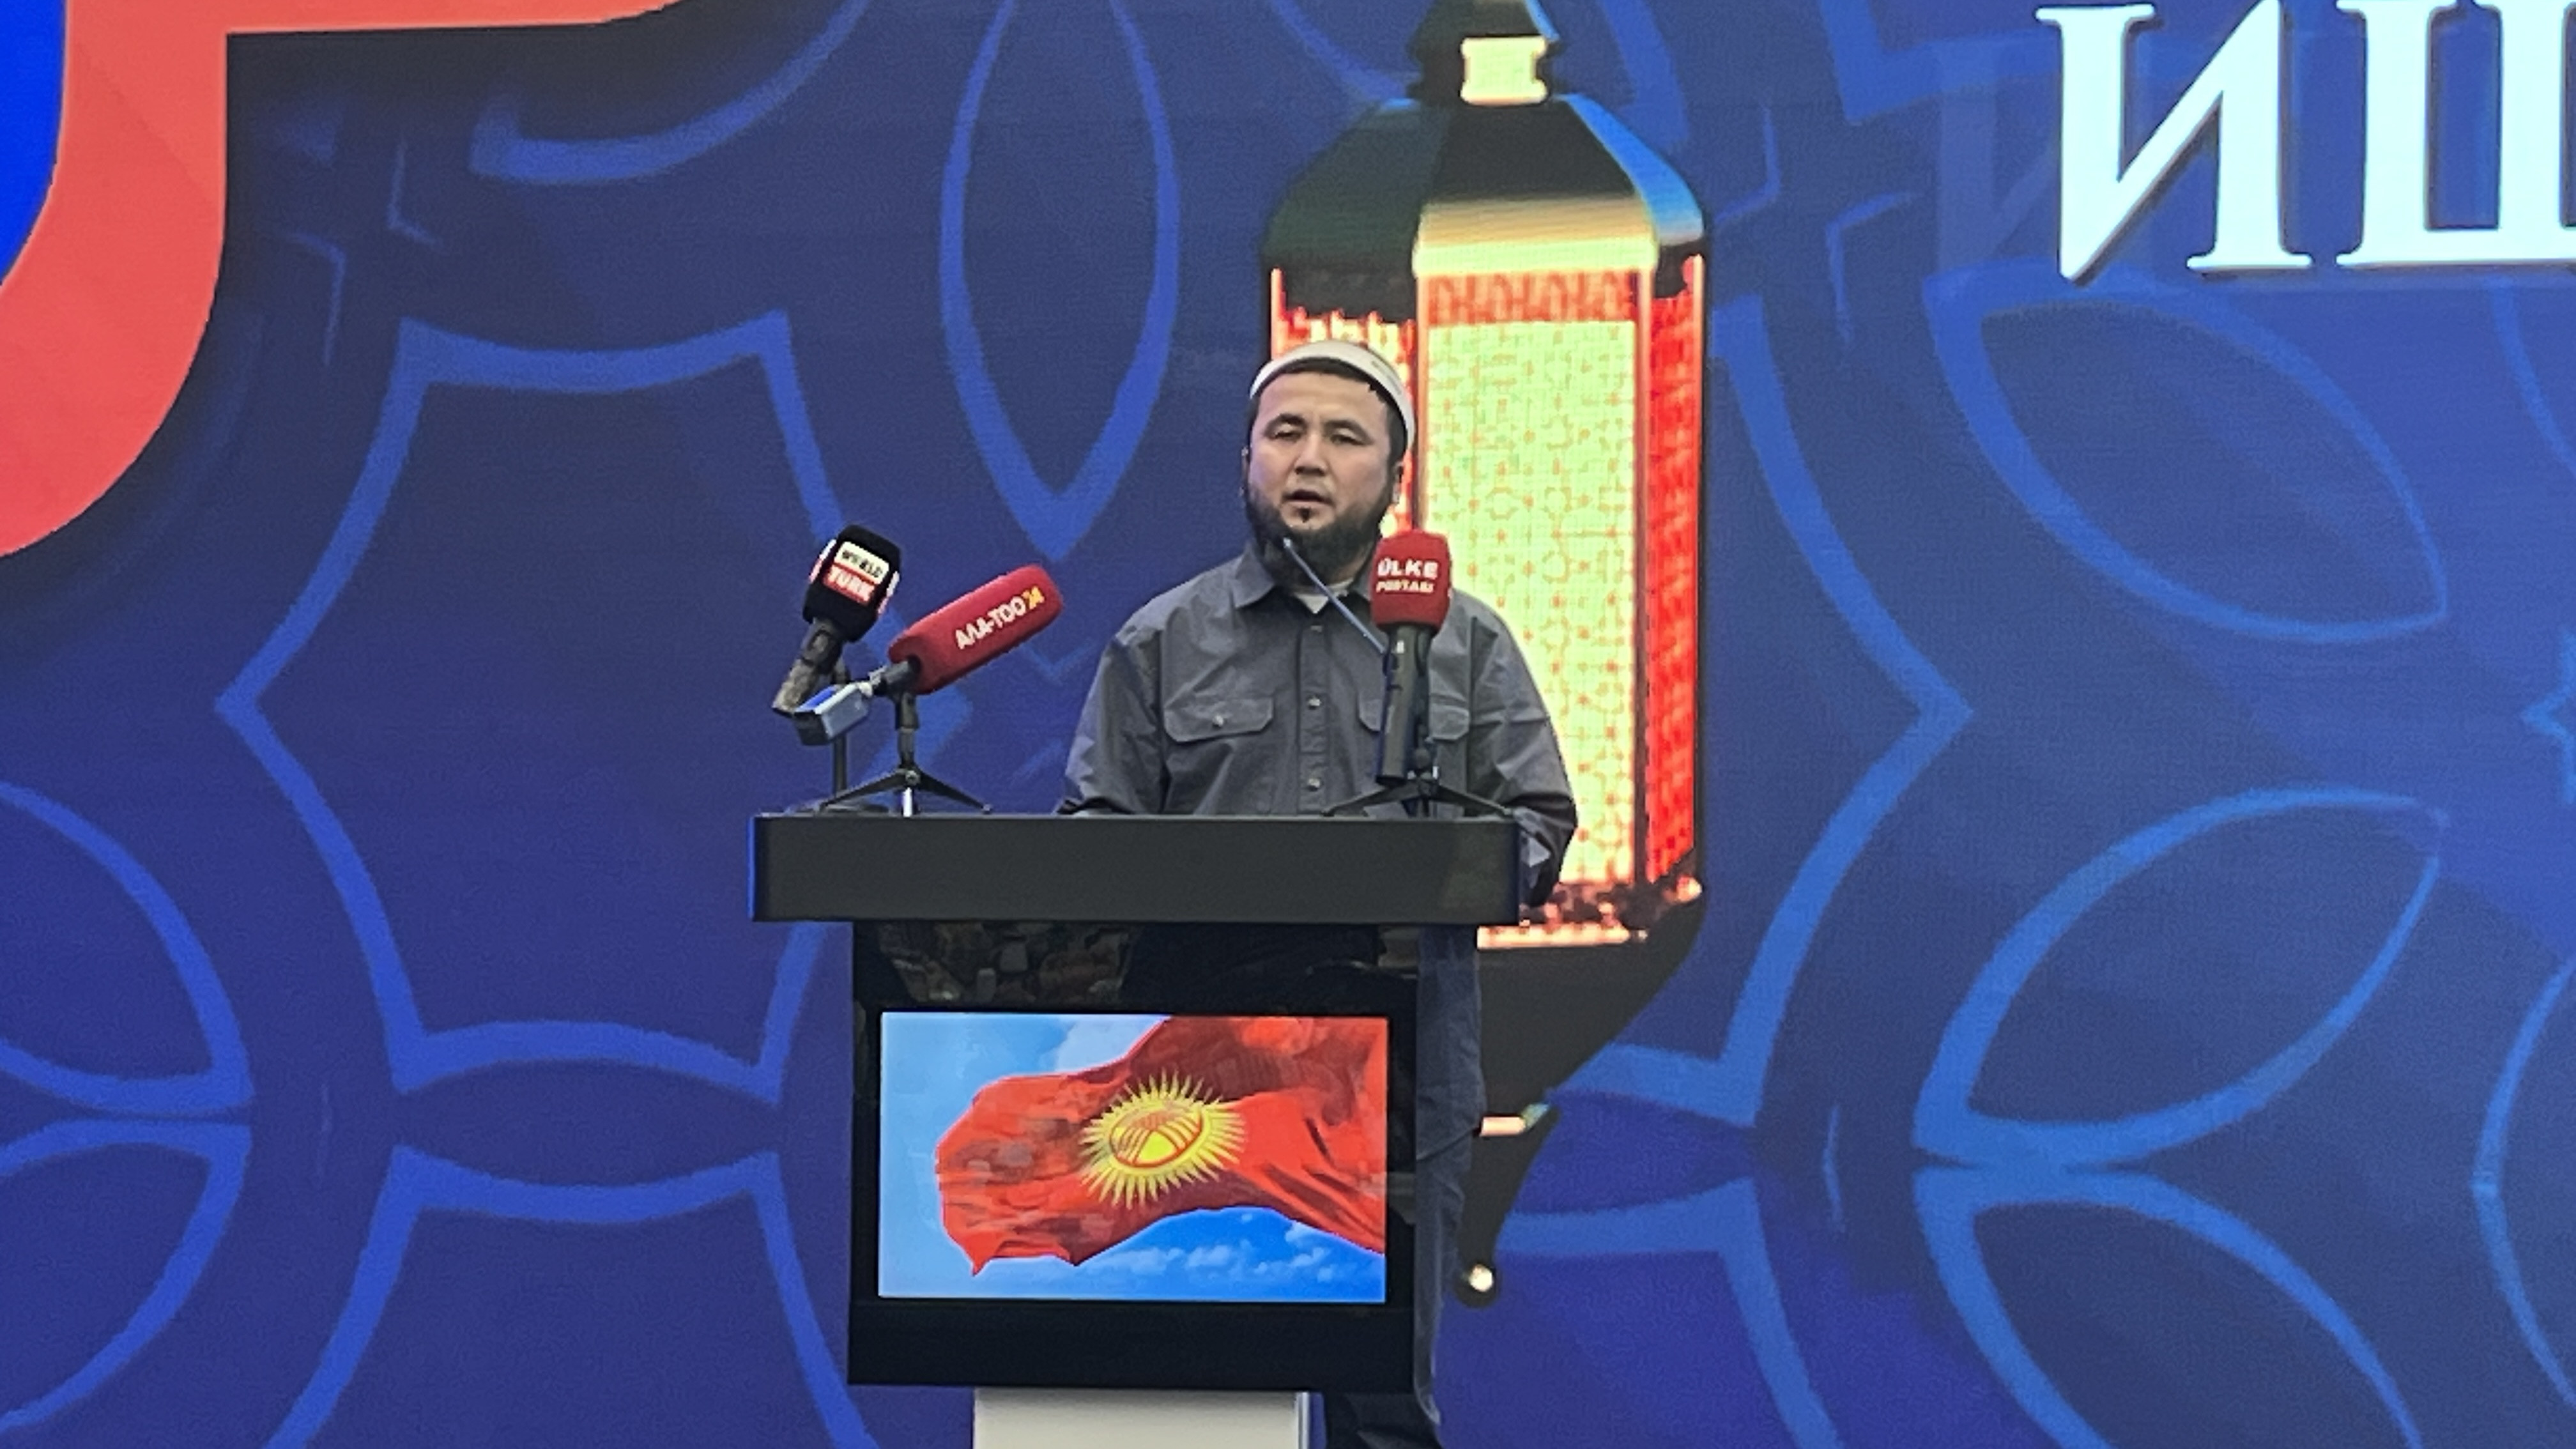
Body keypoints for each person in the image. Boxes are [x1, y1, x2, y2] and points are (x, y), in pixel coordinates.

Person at [1060, 339, 1577, 1448]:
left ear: (1394, 475)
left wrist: (1439, 863)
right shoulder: (1162, 641)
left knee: (1378, 1412)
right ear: (1245, 459)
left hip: (1402, 1086)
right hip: (1197, 1098)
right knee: (1203, 1410)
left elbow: (1538, 826)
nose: (1309, 459)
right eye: (1285, 433)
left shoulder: (1465, 643)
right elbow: (1093, 844)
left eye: (1345, 438)